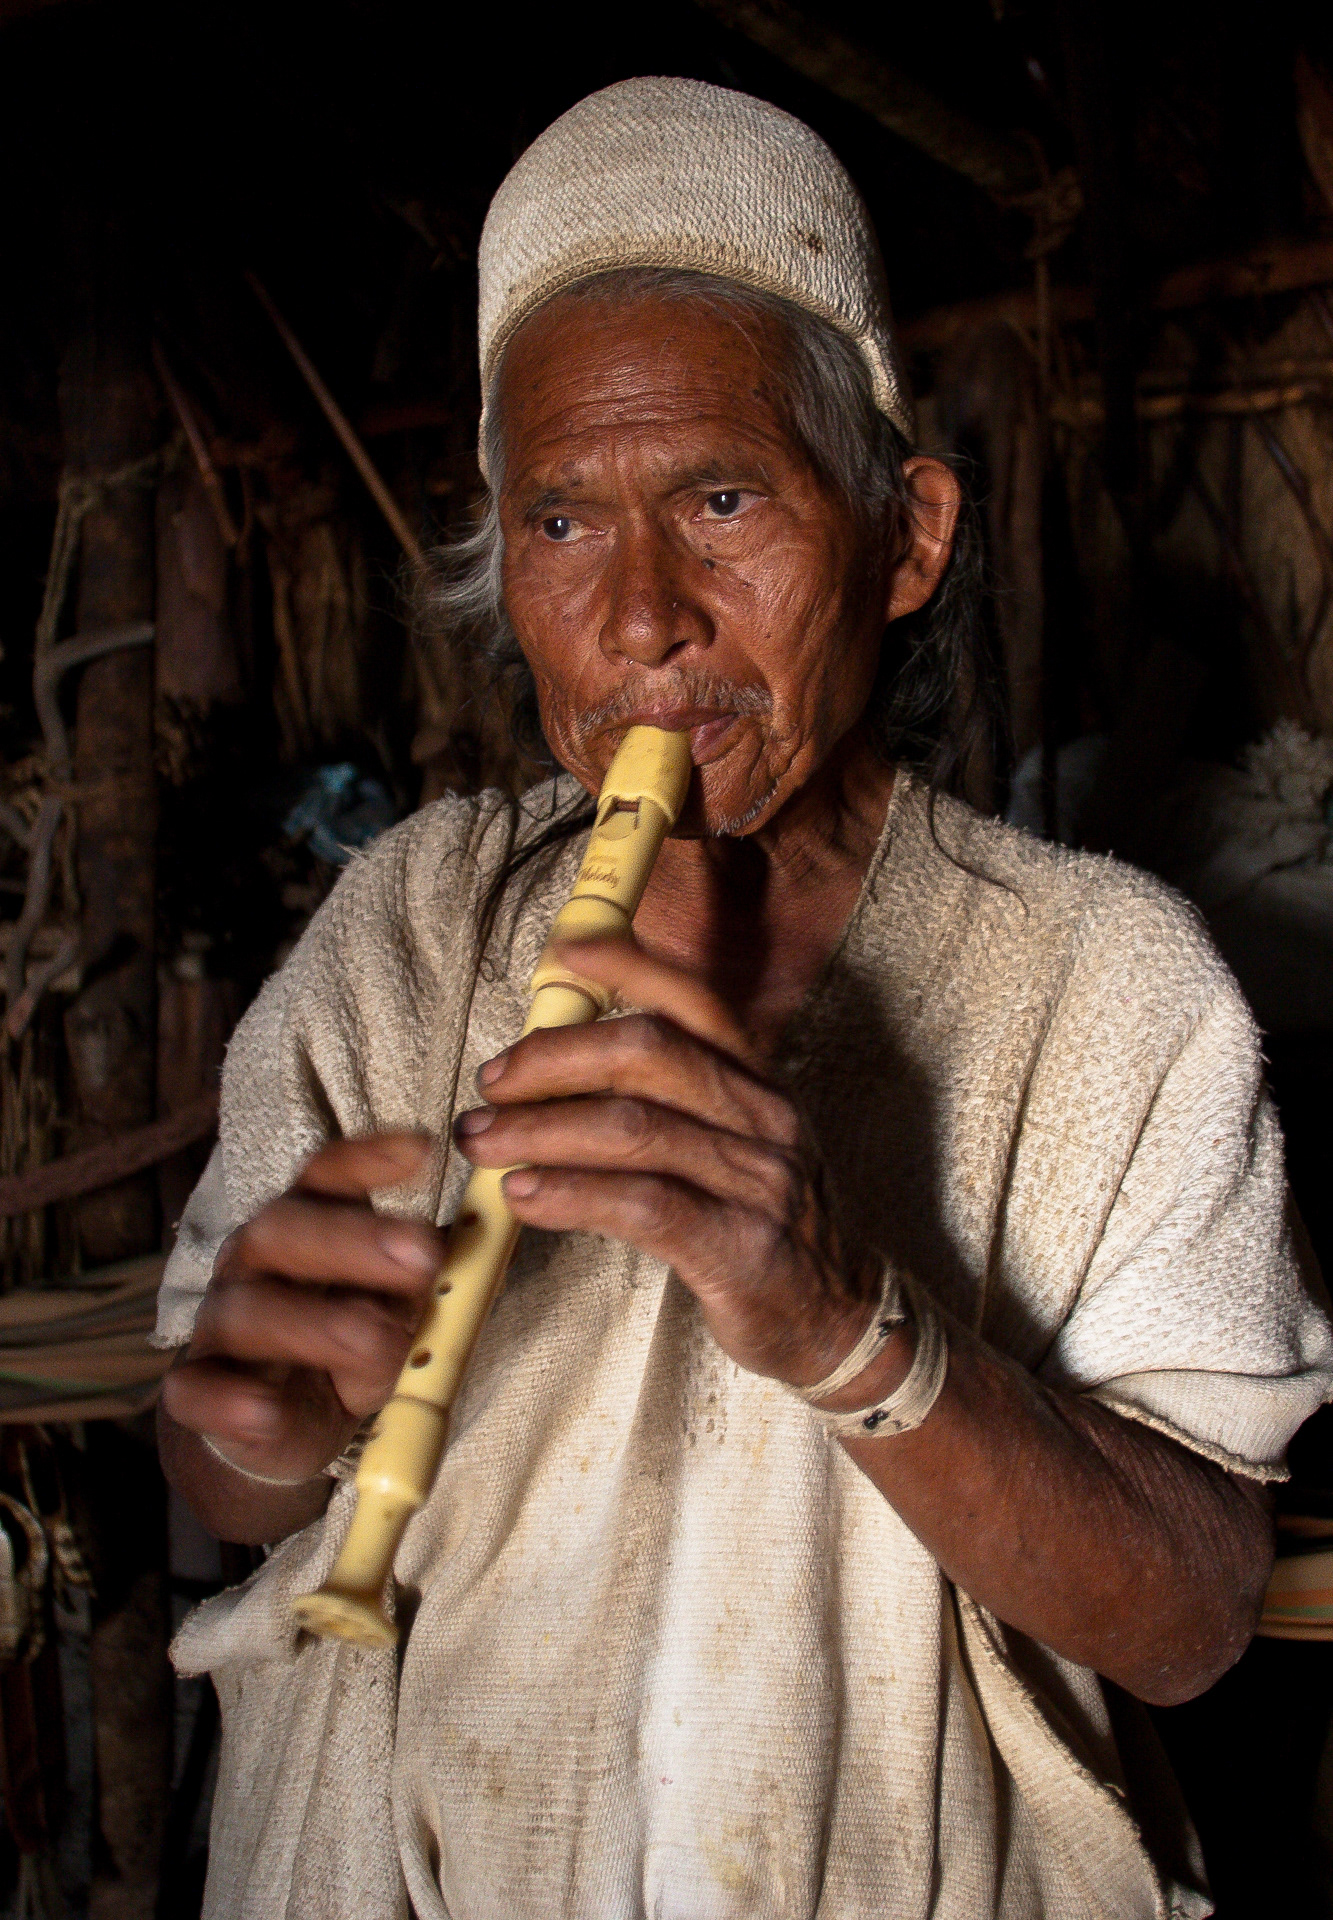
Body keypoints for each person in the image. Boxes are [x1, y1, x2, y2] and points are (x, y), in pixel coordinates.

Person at [155, 77, 1333, 1920]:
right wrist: (255, 1420)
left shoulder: (1108, 979)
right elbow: (226, 1485)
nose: (642, 621)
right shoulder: (407, 928)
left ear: (906, 537)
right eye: (559, 525)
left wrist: (848, 1321)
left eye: (719, 501)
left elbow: (1189, 1622)